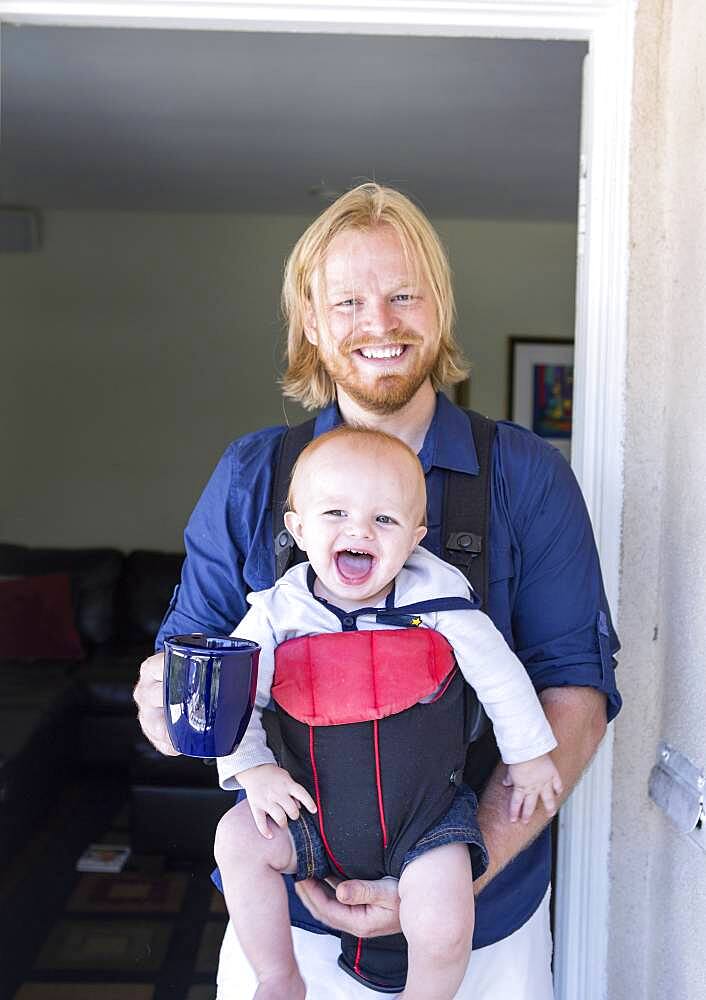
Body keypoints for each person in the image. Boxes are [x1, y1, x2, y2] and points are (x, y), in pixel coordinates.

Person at [134, 182, 621, 999]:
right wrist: (166, 705)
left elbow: (576, 690)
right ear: (312, 324)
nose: (380, 323)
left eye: (403, 295)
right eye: (349, 300)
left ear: (438, 308)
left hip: (481, 922)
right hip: (288, 923)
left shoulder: (525, 475)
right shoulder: (253, 476)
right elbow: (187, 665)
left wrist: (455, 872)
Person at [213, 426, 563, 1000]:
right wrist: (252, 769)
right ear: (298, 529)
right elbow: (234, 698)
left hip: (421, 821)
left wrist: (529, 755)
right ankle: (278, 977)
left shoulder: (440, 604)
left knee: (446, 911)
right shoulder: (277, 613)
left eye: (384, 520)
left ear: (415, 539)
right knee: (236, 839)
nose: (358, 531)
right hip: (312, 816)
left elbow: (500, 675)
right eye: (335, 514)